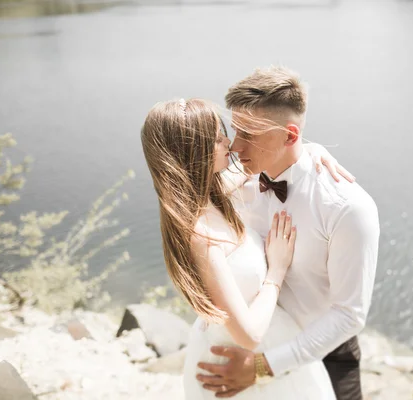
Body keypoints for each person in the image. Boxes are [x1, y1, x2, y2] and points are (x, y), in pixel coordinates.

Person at [141, 98, 352, 399]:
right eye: (216, 138)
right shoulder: (201, 236)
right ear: (192, 154)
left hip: (268, 346)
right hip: (236, 363)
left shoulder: (211, 195)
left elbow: (277, 159)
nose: (228, 141)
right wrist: (276, 271)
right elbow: (249, 335)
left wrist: (312, 151)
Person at [196, 66, 380, 400]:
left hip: (324, 354)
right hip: (252, 341)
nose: (236, 147)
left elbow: (349, 314)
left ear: (291, 136)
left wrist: (264, 367)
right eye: (235, 131)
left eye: (249, 134)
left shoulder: (347, 208)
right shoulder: (238, 181)